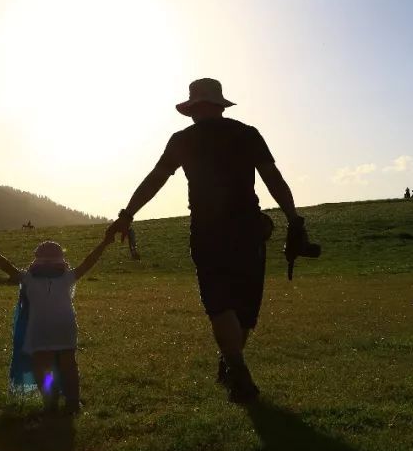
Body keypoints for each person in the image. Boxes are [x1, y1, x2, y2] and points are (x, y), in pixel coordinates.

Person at [108, 78, 310, 403]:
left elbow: (156, 179)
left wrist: (127, 214)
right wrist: (293, 218)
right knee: (243, 308)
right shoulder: (248, 134)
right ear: (219, 106)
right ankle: (234, 367)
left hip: (208, 230)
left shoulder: (183, 140)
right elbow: (273, 177)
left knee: (220, 304)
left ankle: (234, 367)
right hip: (249, 229)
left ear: (192, 110)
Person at [0, 231, 115, 414]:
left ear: (36, 261)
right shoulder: (67, 277)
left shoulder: (28, 279)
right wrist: (104, 243)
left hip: (39, 330)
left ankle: (51, 399)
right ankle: (73, 402)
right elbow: (88, 262)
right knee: (69, 366)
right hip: (65, 327)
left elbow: (5, 266)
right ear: (61, 260)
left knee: (45, 368)